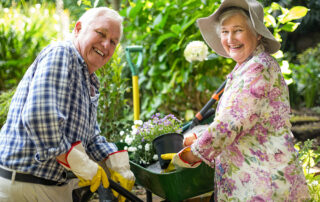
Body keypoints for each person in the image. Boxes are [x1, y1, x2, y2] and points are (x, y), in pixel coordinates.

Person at [162, 0, 310, 201]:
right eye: (224, 32)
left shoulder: (260, 67)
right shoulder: (245, 67)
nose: (230, 38)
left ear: (257, 34)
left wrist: (189, 155)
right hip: (251, 181)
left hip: (263, 186)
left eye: (237, 30)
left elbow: (231, 123)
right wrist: (200, 136)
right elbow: (244, 122)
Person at [0, 7, 134, 202]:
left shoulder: (88, 79)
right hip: (28, 186)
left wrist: (115, 161)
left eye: (113, 41)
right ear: (78, 29)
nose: (106, 44)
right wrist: (77, 161)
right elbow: (39, 116)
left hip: (43, 185)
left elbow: (91, 138)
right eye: (101, 33)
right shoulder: (63, 54)